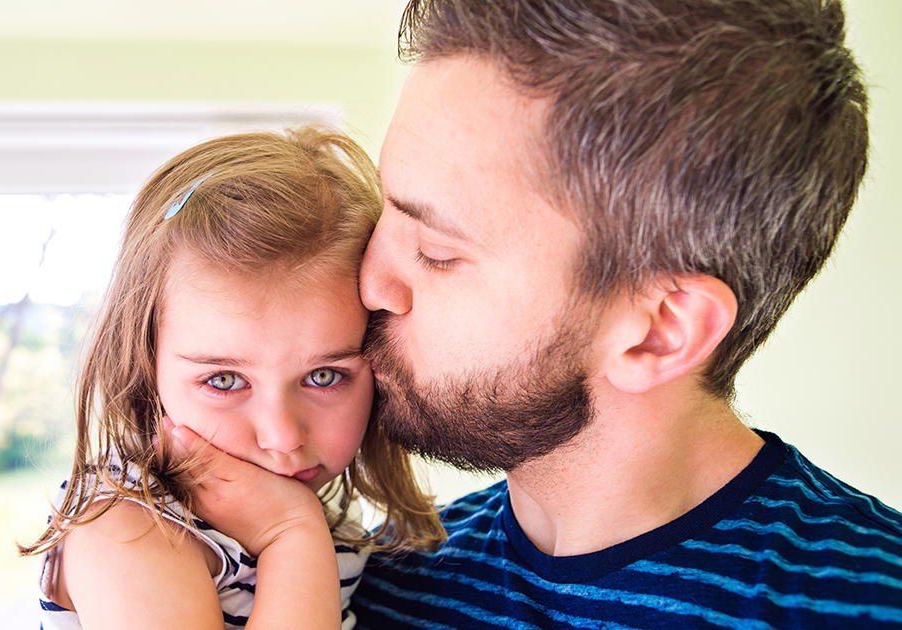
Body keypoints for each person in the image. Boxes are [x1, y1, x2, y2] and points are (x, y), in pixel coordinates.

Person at [335, 0, 902, 627]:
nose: (369, 283)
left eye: (436, 252)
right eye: (382, 210)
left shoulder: (871, 603)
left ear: (660, 333)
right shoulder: (360, 588)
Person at [19, 125, 445, 630]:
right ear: (143, 366)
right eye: (224, 381)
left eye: (325, 375)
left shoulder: (337, 526)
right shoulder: (125, 527)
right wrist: (292, 535)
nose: (282, 435)